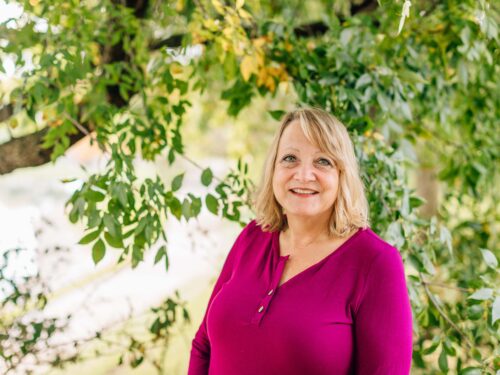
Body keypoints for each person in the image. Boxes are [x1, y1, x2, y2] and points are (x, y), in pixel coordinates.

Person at [188, 107, 413, 374]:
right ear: (273, 169)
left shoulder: (376, 263)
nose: (303, 175)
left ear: (343, 175)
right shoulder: (252, 237)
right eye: (290, 158)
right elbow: (204, 346)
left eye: (323, 162)